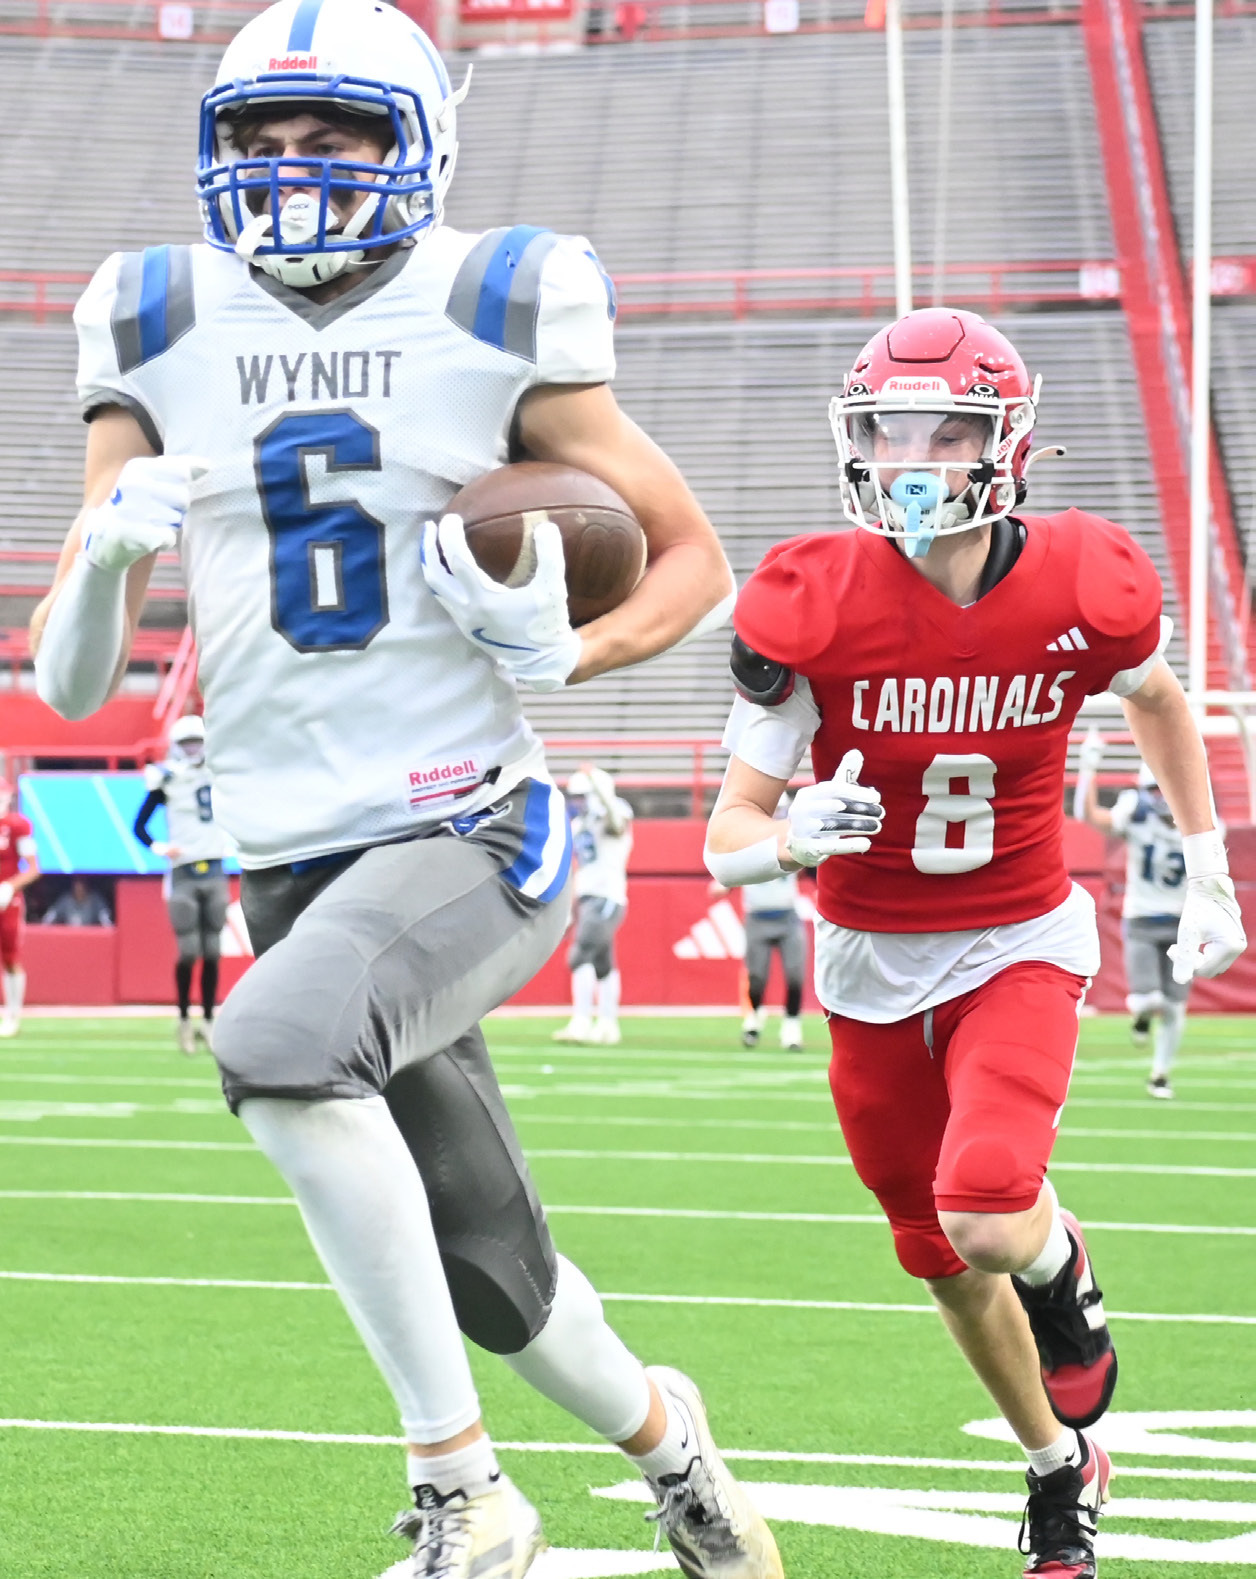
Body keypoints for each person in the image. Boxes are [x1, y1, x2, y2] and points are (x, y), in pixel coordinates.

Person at [29, 4, 779, 1577]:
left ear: (418, 146)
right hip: (287, 854)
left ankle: (466, 1493)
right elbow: (74, 685)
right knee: (496, 1273)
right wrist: (104, 559)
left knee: (280, 1048)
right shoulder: (158, 314)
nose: (292, 167)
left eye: (336, 135)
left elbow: (692, 556)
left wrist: (568, 652)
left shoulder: (495, 300)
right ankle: (678, 1447)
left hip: (467, 824)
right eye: (262, 137)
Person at [704, 307, 1247, 1579]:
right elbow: (731, 826)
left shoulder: (1082, 579)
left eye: (943, 430)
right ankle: (1059, 1468)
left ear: (1003, 442)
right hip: (866, 957)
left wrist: (1208, 860)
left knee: (989, 1209)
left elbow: (1158, 700)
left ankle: (1063, 1277)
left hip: (1016, 936)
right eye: (886, 430)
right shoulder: (810, 598)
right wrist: (786, 837)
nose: (908, 458)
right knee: (938, 1255)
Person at [1074, 732, 1190, 1097]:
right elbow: (1088, 815)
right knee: (1147, 1001)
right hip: (1142, 918)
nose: (1162, 798)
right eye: (1155, 789)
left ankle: (1160, 1074)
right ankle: (1141, 1017)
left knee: (1175, 1006)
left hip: (1183, 923)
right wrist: (1087, 768)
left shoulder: (1200, 819)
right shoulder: (1135, 814)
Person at [132, 714, 233, 1055]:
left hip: (215, 867)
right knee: (189, 952)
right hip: (184, 872)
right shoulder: (167, 778)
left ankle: (209, 1020)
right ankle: (184, 1019)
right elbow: (139, 826)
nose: (192, 750)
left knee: (213, 952)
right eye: (186, 743)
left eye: (196, 742)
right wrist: (159, 847)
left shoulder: (220, 773)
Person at [553, 764, 633, 1046]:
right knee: (602, 963)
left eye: (582, 796)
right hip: (588, 896)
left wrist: (599, 788)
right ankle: (608, 1025)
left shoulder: (612, 814)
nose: (577, 802)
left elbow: (616, 823)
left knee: (579, 956)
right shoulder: (579, 824)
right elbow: (579, 868)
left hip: (607, 896)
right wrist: (570, 910)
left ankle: (582, 1021)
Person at [737, 795, 806, 1050]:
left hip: (787, 915)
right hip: (757, 916)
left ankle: (791, 1027)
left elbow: (812, 865)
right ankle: (755, 1017)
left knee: (795, 974)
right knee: (756, 976)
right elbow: (732, 866)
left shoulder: (794, 836)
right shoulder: (747, 837)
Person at [0, 779, 40, 1038]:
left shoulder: (17, 826)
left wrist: (9, 887)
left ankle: (13, 1014)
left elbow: (33, 868)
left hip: (7, 899)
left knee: (10, 957)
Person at [42, 876, 113, 927]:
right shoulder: (66, 899)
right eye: (76, 887)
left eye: (81, 887)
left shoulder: (95, 899)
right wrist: (44, 926)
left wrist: (108, 928)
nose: (79, 890)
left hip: (89, 935)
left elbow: (104, 916)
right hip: (69, 935)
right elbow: (53, 913)